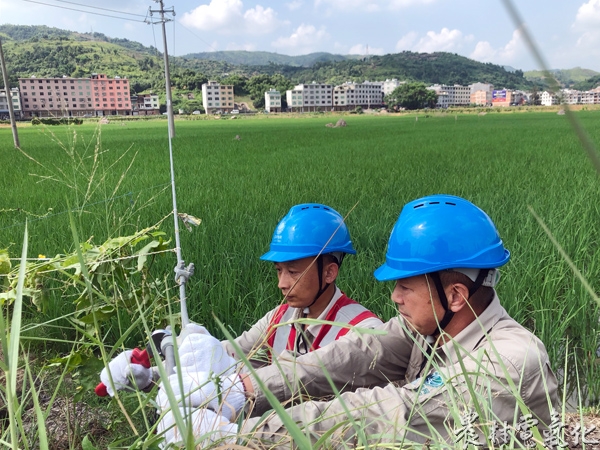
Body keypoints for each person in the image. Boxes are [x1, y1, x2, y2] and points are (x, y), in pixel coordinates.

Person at [160, 194, 559, 448]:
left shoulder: (510, 359)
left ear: (455, 295)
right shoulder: (427, 329)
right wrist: (240, 388)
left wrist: (244, 436)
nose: (394, 297)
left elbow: (393, 411)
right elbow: (352, 356)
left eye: (405, 286)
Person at [96, 203, 382, 399]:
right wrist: (152, 374)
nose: (282, 283)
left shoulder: (362, 332)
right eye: (279, 271)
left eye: (294, 272)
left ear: (329, 271)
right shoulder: (280, 318)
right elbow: (228, 356)